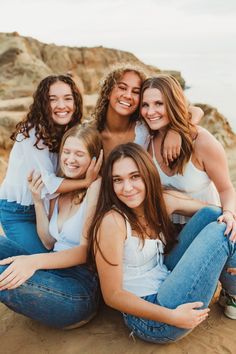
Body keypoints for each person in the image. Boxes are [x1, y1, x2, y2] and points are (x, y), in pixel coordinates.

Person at [88, 143, 236, 344]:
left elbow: (216, 211)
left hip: (165, 277)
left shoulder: (162, 202)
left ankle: (233, 294)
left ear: (148, 174)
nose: (127, 188)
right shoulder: (112, 222)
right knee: (220, 232)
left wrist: (228, 214)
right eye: (118, 180)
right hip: (152, 319)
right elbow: (113, 295)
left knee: (216, 217)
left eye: (135, 176)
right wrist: (172, 317)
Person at [0, 124, 102, 329]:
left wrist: (33, 262)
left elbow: (85, 252)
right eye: (67, 151)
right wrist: (38, 200)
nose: (70, 159)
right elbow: (48, 241)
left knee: (3, 273)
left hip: (80, 288)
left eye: (79, 154)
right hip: (53, 271)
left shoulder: (96, 186)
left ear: (94, 159)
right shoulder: (58, 188)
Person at [0, 75, 101, 253]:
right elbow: (48, 183)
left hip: (46, 207)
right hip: (19, 212)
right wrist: (85, 182)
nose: (61, 105)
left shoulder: (69, 129)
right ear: (42, 104)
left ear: (76, 102)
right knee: (39, 263)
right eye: (52, 99)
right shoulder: (32, 131)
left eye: (67, 98)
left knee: (53, 256)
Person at [140, 75, 236, 225]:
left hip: (205, 225)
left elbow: (226, 189)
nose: (150, 112)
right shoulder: (147, 141)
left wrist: (229, 214)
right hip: (168, 232)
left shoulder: (202, 142)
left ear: (173, 103)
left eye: (159, 103)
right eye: (145, 105)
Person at [93, 65, 203, 160]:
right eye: (122, 88)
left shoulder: (145, 126)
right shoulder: (91, 131)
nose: (128, 95)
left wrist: (176, 130)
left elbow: (196, 111)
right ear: (108, 92)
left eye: (136, 92)